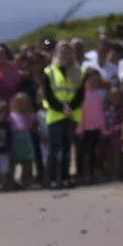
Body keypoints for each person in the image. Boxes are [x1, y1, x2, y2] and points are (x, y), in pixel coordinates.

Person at [41, 41, 86, 189]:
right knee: (55, 149)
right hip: (55, 115)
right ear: (56, 53)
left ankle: (65, 178)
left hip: (71, 115)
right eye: (62, 51)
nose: (64, 54)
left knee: (67, 149)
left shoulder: (79, 71)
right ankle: (52, 179)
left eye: (67, 51)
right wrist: (62, 108)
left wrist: (70, 108)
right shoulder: (48, 71)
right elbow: (48, 95)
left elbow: (80, 94)